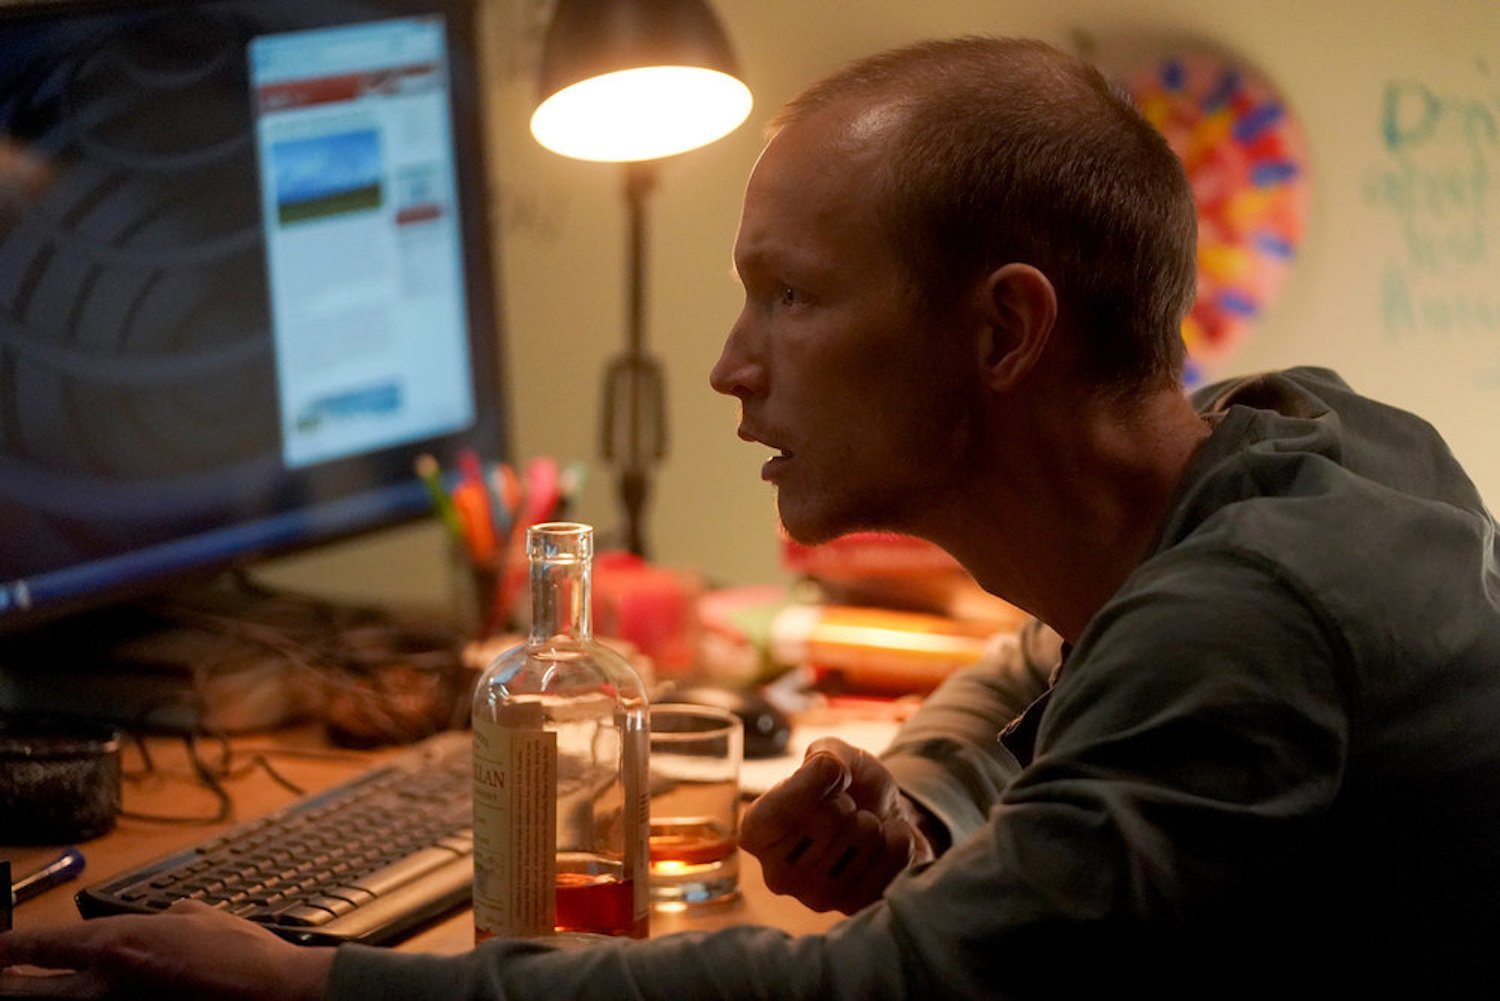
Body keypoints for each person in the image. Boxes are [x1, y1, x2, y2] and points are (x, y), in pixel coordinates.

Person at [4, 33, 1500, 1000]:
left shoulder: (1246, 623)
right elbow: (1043, 659)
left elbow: (872, 994)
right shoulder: (1302, 441)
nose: (731, 363)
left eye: (791, 294)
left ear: (1002, 333)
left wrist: (312, 988)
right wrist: (922, 793)